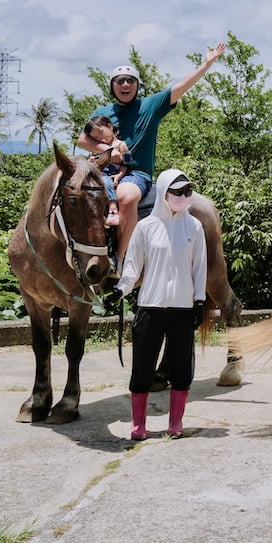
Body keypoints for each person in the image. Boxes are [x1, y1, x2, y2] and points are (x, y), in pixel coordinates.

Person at [77, 42, 225, 265]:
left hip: (136, 174)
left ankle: (120, 258)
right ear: (112, 86)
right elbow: (82, 139)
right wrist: (109, 151)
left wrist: (206, 65)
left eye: (130, 80)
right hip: (104, 170)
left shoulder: (150, 105)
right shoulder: (103, 113)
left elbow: (182, 86)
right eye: (119, 81)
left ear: (137, 85)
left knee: (126, 197)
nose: (125, 84)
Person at [105, 170, 208, 440]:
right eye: (177, 193)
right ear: (163, 193)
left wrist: (199, 301)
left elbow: (200, 268)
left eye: (187, 193)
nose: (183, 198)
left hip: (183, 309)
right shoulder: (145, 227)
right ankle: (138, 424)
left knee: (181, 369)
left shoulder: (194, 227)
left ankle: (175, 422)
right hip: (150, 307)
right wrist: (121, 289)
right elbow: (132, 267)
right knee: (143, 367)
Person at [83, 115, 129, 227]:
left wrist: (120, 174)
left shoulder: (121, 145)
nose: (100, 139)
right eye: (96, 138)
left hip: (110, 173)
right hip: (97, 171)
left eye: (101, 133)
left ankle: (113, 209)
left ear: (109, 127)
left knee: (106, 182)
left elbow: (127, 162)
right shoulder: (99, 147)